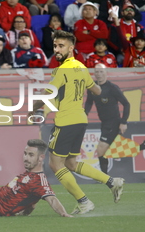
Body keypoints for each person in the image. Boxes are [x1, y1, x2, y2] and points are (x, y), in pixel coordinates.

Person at [31, 29, 124, 214]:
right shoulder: (80, 67)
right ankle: (112, 181)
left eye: (61, 46)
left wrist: (32, 108)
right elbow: (96, 90)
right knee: (71, 164)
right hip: (80, 120)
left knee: (55, 164)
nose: (57, 49)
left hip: (66, 121)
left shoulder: (62, 70)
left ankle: (84, 202)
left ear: (71, 48)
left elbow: (49, 94)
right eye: (55, 46)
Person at [85, 64, 129, 174]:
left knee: (100, 150)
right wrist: (84, 114)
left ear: (106, 73)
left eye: (101, 71)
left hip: (113, 122)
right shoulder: (92, 87)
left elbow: (126, 104)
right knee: (103, 151)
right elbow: (89, 101)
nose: (99, 74)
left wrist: (123, 122)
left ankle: (105, 178)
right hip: (104, 123)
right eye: (97, 72)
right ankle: (106, 177)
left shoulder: (112, 88)